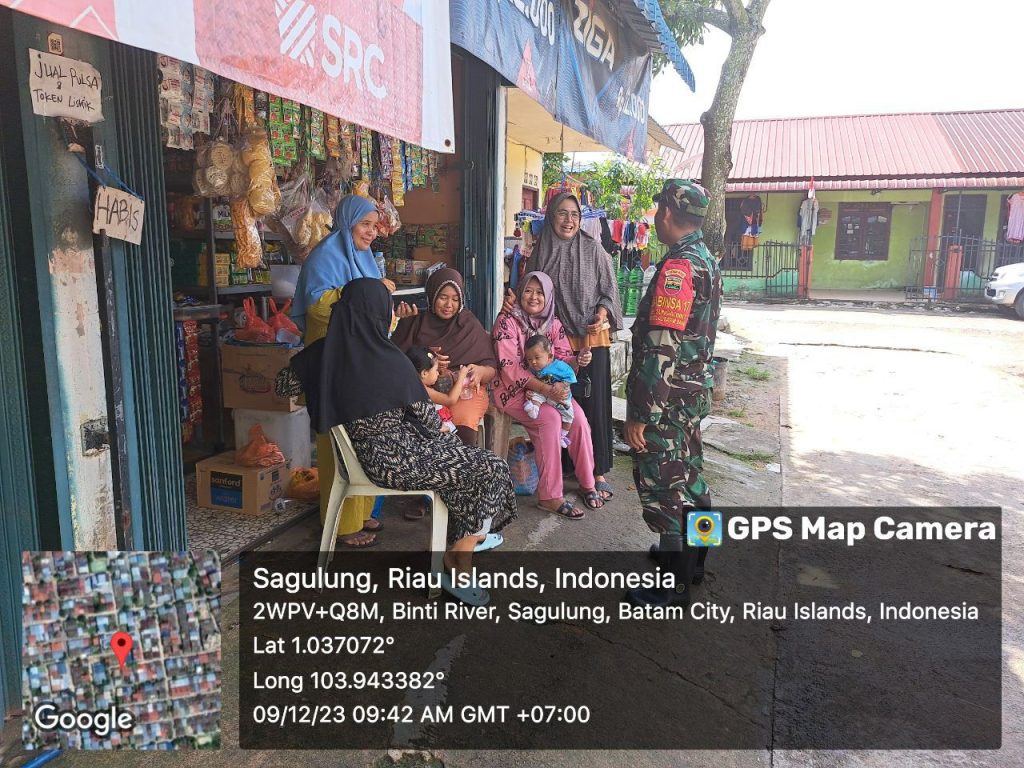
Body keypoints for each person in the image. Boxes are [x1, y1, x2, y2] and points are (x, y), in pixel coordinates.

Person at [290, 279, 516, 605]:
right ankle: (461, 552)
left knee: (468, 463)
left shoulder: (321, 353)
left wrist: (320, 375)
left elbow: (285, 386)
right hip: (396, 462)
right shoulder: (390, 359)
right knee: (490, 467)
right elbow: (430, 423)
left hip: (357, 459)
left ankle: (463, 538)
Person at [622, 180, 722, 609]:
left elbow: (663, 345)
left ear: (666, 212)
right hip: (693, 392)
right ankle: (696, 560)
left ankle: (673, 585)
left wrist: (642, 413)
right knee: (693, 476)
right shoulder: (706, 259)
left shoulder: (678, 269)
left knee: (665, 486)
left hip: (668, 398)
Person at [503, 192, 623, 501]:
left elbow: (609, 291)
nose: (568, 220)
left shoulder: (594, 249)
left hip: (590, 339)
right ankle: (569, 466)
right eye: (562, 213)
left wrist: (601, 314)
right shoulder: (541, 250)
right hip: (553, 341)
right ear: (551, 217)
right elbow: (528, 291)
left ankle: (597, 471)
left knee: (593, 404)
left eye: (574, 215)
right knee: (561, 402)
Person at [290, 194, 394, 548]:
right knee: (338, 445)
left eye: (374, 226)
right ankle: (342, 524)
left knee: (364, 438)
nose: (371, 232)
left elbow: (373, 309)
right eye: (365, 224)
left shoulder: (364, 257)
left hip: (362, 363)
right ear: (348, 223)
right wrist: (362, 293)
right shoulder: (325, 257)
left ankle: (362, 512)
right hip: (333, 362)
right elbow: (318, 308)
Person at [492, 271, 605, 517]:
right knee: (550, 419)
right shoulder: (507, 321)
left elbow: (563, 359)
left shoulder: (553, 325)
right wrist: (545, 390)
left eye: (540, 292)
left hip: (552, 390)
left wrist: (578, 360)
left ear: (549, 296)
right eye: (528, 291)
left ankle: (588, 483)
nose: (534, 297)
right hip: (514, 391)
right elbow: (509, 368)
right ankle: (550, 496)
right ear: (520, 293)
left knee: (579, 419)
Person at [392, 269, 497, 446]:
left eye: (455, 299)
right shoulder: (415, 320)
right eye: (443, 297)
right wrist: (425, 357)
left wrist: (480, 371)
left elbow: (490, 366)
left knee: (463, 422)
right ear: (432, 296)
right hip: (424, 390)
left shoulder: (468, 324)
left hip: (463, 388)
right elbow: (395, 359)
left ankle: (464, 461)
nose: (449, 305)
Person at [523, 335, 576, 447]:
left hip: (560, 396)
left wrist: (562, 384)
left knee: (569, 416)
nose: (533, 362)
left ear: (550, 356)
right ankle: (533, 409)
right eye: (529, 359)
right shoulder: (532, 369)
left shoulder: (560, 366)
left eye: (537, 358)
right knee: (535, 395)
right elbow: (529, 381)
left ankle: (562, 435)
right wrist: (528, 391)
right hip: (543, 393)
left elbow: (571, 377)